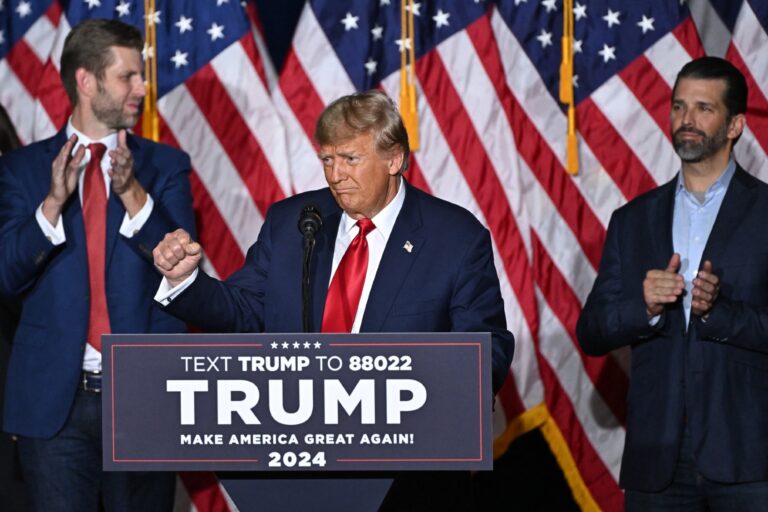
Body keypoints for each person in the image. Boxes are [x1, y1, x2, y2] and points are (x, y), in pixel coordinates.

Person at [153, 89, 514, 509]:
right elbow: (245, 309)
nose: (335, 174)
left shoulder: (455, 237)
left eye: (350, 159)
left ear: (394, 159)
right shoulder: (294, 222)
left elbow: (486, 346)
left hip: (406, 478)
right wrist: (186, 282)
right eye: (327, 159)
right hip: (298, 466)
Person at [0, 19, 196, 511]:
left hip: (142, 397)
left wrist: (132, 193)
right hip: (54, 406)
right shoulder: (22, 171)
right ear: (87, 81)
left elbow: (182, 270)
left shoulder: (164, 167)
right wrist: (50, 206)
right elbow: (6, 275)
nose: (142, 88)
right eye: (128, 76)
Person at [577, 56, 768, 511]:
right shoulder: (633, 220)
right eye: (679, 106)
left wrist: (721, 313)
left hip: (749, 459)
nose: (687, 119)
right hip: (656, 459)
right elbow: (593, 331)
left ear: (736, 124)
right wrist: (642, 305)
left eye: (704, 108)